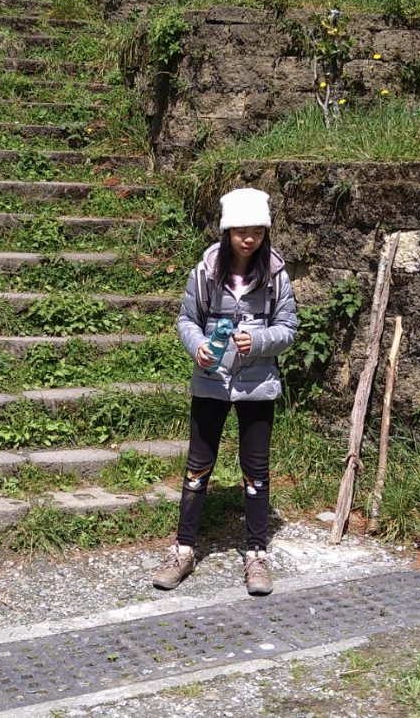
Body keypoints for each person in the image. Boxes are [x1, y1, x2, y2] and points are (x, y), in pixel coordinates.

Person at [152, 187, 298, 596]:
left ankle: (256, 554)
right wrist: (196, 345)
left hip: (258, 386)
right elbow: (186, 320)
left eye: (256, 231)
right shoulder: (204, 272)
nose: (248, 239)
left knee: (256, 472)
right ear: (226, 231)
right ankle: (183, 548)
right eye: (240, 231)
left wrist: (261, 341)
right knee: (197, 469)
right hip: (211, 382)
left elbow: (288, 328)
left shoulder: (276, 275)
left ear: (265, 232)